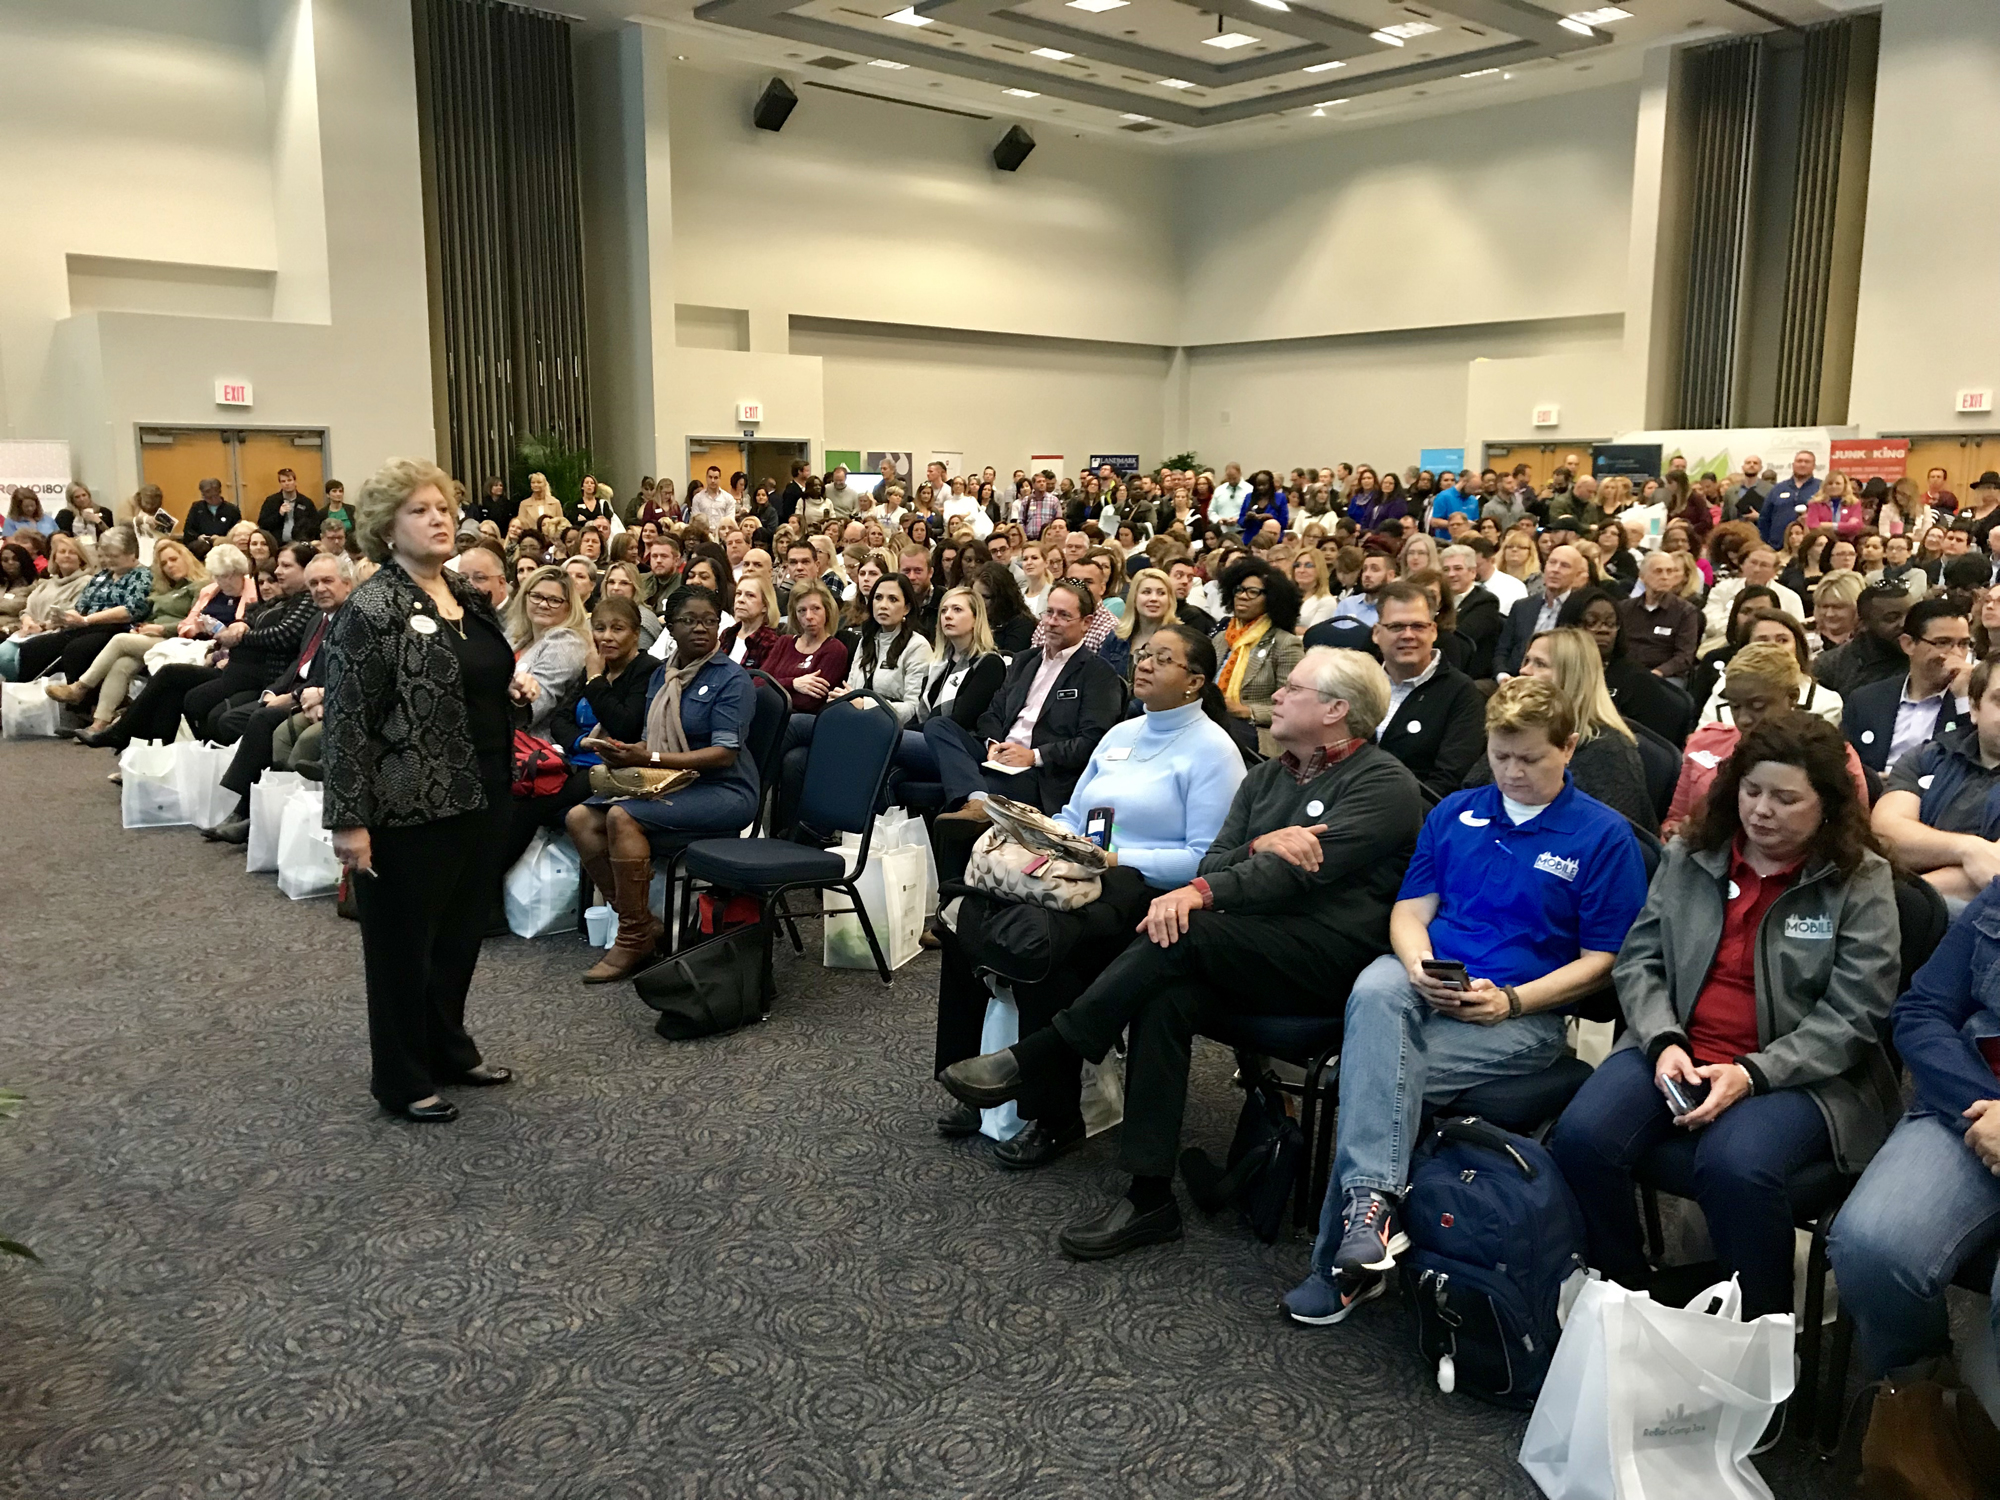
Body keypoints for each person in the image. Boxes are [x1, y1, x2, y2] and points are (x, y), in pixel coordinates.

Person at [942, 647, 1426, 1259]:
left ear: (1336, 709)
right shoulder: (1268, 776)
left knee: (1180, 930)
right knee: (1166, 992)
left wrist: (1208, 888)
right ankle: (1150, 1198)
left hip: (1326, 959)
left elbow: (1291, 879)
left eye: (1293, 688)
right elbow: (1219, 860)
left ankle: (1041, 1053)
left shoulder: (1384, 784)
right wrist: (1256, 851)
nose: (1274, 695)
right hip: (1246, 944)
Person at [1285, 677, 1649, 1322]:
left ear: (1567, 748)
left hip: (1521, 1015)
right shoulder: (1456, 812)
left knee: (1374, 1076)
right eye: (1500, 755)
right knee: (1377, 986)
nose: (1511, 771)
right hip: (1428, 982)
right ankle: (1370, 1221)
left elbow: (1602, 964)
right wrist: (1421, 965)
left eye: (1530, 758)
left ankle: (1343, 1260)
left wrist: (1511, 1001)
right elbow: (1409, 910)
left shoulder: (1603, 837)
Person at [1554, 713, 1900, 1321]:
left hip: (1799, 1073)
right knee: (1583, 1138)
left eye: (1787, 798)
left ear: (1828, 805)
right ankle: (1626, 1299)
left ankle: (1761, 1335)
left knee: (1735, 1166)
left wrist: (1752, 1073)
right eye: (1751, 790)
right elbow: (1639, 960)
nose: (1762, 810)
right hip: (1678, 1045)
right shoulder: (1693, 852)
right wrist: (1662, 1039)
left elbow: (1855, 1013)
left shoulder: (1859, 879)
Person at [932, 625, 1249, 1167]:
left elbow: (1206, 859)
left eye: (1162, 659)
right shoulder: (1122, 734)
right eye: (1144, 654)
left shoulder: (1213, 752)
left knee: (1045, 949)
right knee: (966, 919)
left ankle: (1052, 1117)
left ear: (1195, 682)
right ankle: (974, 1086)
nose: (1144, 663)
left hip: (1150, 895)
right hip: (1080, 876)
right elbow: (1074, 817)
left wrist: (1116, 860)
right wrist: (1043, 838)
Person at [321, 460, 516, 1124]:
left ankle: (448, 1048)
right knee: (403, 946)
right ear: (386, 528)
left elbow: (477, 672)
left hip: (485, 786)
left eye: (443, 507)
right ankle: (401, 1080)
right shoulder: (370, 609)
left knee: (462, 934)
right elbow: (345, 719)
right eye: (419, 510)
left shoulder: (468, 592)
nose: (438, 519)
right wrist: (349, 819)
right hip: (409, 799)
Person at [1828, 883, 2000, 1451]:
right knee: (1871, 1242)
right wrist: (1981, 1108)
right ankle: (1927, 1417)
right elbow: (1923, 1009)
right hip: (1971, 1101)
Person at [564, 586, 760, 982]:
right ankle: (640, 923)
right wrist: (625, 751)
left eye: (710, 620)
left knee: (621, 817)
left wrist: (647, 758)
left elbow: (724, 754)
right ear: (670, 626)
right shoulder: (662, 674)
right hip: (670, 782)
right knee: (579, 818)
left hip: (724, 791)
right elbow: (653, 742)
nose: (701, 629)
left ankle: (632, 936)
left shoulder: (730, 679)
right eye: (689, 621)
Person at [926, 579, 1122, 820]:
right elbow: (992, 713)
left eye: (1063, 615)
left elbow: (1092, 741)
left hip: (1040, 773)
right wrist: (993, 745)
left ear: (1086, 623)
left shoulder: (1097, 673)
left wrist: (1034, 756)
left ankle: (972, 799)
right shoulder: (1024, 661)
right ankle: (976, 799)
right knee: (938, 726)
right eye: (1049, 612)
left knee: (945, 790)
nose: (1051, 622)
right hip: (996, 755)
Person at [201, 553, 357, 842]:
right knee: (232, 716)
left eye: (327, 581)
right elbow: (299, 665)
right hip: (300, 691)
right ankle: (255, 808)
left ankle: (248, 811)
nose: (320, 588)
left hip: (322, 697)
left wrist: (294, 696)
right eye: (313, 583)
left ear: (347, 584)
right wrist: (275, 691)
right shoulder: (318, 619)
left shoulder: (353, 621)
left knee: (264, 720)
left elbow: (339, 674)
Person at [1665, 642, 1868, 837]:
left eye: (1758, 706)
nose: (1743, 719)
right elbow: (1674, 818)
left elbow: (1851, 834)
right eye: (1735, 706)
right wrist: (1675, 831)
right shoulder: (1704, 742)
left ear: (1792, 697)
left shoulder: (1833, 756)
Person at [1872, 654, 2000, 904]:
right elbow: (1886, 835)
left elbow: (1991, 871)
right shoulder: (1928, 756)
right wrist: (1968, 849)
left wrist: (1892, 900)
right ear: (1974, 708)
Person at [43, 538, 207, 730]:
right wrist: (145, 627)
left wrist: (161, 629)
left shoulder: (200, 586)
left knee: (119, 640)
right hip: (154, 637)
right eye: (163, 563)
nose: (169, 566)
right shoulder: (165, 589)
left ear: (186, 557)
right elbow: (152, 615)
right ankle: (99, 724)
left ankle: (80, 688)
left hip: (179, 640)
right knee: (122, 664)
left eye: (173, 559)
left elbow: (199, 621)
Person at [1370, 582, 1485, 803]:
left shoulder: (1462, 693)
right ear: (1376, 633)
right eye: (1396, 627)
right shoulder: (1358, 683)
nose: (1408, 635)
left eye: (1418, 626)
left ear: (1433, 631)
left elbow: (1448, 780)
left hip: (1415, 814)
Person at [890, 585, 1005, 792]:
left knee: (879, 739)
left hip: (959, 747)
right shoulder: (938, 664)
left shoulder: (989, 663)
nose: (947, 616)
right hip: (927, 738)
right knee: (885, 772)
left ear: (976, 619)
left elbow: (960, 721)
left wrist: (899, 732)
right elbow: (921, 715)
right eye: (944, 610)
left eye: (957, 610)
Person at [1844, 597, 1973, 776]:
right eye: (1942, 642)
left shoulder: (1975, 701)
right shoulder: (1866, 700)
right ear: (1908, 644)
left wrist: (1964, 698)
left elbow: (1978, 759)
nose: (1956, 654)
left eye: (1964, 644)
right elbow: (1844, 764)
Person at [8, 525, 152, 683]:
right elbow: (81, 606)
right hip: (84, 626)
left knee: (76, 651)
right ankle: (28, 696)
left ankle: (76, 702)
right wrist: (49, 624)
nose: (108, 560)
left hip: (114, 627)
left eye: (114, 556)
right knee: (32, 647)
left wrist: (86, 620)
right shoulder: (103, 575)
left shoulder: (141, 575)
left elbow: (130, 610)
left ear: (132, 553)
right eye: (105, 555)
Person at [1559, 586, 1693, 746]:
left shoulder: (1636, 681)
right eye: (1591, 622)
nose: (1603, 630)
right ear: (1569, 626)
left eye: (1610, 623)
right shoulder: (1555, 669)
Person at [1214, 558, 1303, 759]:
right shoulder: (1221, 639)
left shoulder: (1285, 643)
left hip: (1256, 734)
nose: (1243, 596)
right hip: (1213, 720)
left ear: (1271, 598)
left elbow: (1295, 705)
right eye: (1239, 589)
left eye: (1253, 592)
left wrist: (1247, 711)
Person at [1495, 543, 1586, 677]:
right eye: (1552, 563)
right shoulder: (1522, 606)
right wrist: (1502, 675)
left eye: (1564, 566)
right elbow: (1502, 650)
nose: (1555, 570)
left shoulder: (1581, 610)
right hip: (1515, 679)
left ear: (1577, 575)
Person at [761, 582, 849, 715]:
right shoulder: (784, 642)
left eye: (815, 609)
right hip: (771, 715)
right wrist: (794, 683)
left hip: (803, 721)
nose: (808, 616)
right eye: (802, 610)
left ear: (827, 611)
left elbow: (808, 702)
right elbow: (758, 683)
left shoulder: (834, 649)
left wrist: (773, 687)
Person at [1700, 546, 1804, 655]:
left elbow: (1797, 633)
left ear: (1775, 571)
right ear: (1742, 565)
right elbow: (1709, 623)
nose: (1756, 569)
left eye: (1764, 565)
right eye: (1753, 563)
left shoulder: (1791, 598)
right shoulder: (1723, 589)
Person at [1815, 583, 1913, 697]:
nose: (1905, 624)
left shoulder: (1929, 656)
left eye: (1912, 615)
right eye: (1892, 618)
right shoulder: (1831, 666)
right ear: (1863, 624)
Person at [1619, 550, 1702, 682]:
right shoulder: (1624, 608)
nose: (1665, 577)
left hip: (1666, 676)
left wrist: (1659, 672)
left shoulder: (1686, 611)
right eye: (1658, 571)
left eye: (1670, 571)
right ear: (1642, 576)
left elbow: (1684, 656)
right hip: (1628, 672)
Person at [1437, 544, 1501, 679]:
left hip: (1472, 675)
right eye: (1446, 569)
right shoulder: (1437, 600)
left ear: (1473, 572)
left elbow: (1461, 638)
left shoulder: (1486, 602)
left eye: (1458, 568)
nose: (1451, 574)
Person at [1757, 450, 1823, 549]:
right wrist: (1766, 544)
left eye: (1807, 462)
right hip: (1778, 547)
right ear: (1793, 465)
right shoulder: (1777, 489)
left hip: (1811, 547)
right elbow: (1764, 519)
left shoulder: (1822, 488)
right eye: (1799, 461)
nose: (1802, 464)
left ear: (1814, 466)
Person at [970, 562, 1036, 654]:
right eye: (975, 596)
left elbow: (1008, 662)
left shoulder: (1022, 624)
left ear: (1002, 597)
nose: (979, 602)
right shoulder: (970, 620)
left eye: (986, 597)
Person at [719, 575, 782, 670]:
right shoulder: (727, 634)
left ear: (765, 605)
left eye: (750, 595)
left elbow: (761, 682)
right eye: (738, 593)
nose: (740, 600)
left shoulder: (771, 642)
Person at [257, 468, 321, 543]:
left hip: (300, 544)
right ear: (280, 484)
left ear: (295, 482)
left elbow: (315, 525)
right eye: (283, 481)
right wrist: (279, 514)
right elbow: (262, 524)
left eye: (289, 480)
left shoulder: (306, 502)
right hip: (277, 544)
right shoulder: (271, 501)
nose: (287, 483)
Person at [182, 478, 241, 543]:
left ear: (219, 492)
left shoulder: (232, 509)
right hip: (201, 544)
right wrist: (198, 537)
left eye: (215, 496)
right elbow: (188, 530)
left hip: (224, 543)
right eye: (208, 498)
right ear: (203, 495)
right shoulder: (196, 508)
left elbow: (237, 531)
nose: (213, 499)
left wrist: (221, 539)